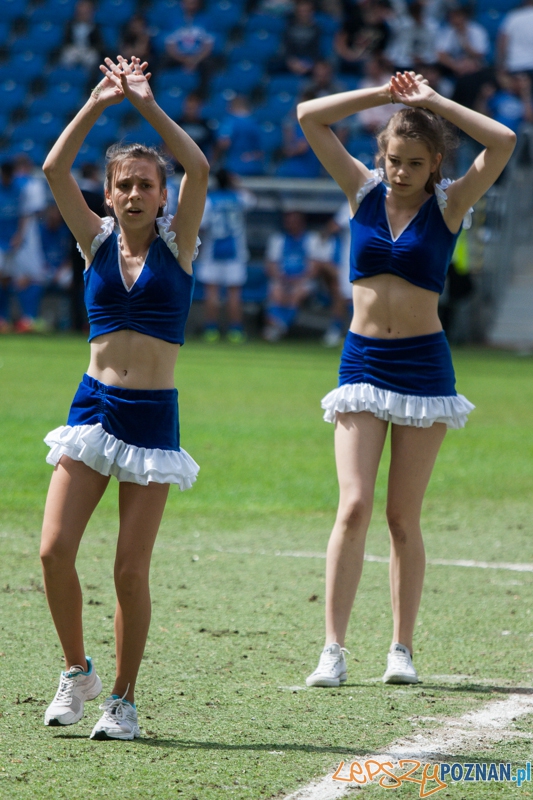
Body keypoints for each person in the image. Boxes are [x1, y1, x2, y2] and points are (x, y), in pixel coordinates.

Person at [297, 70, 515, 686]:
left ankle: (401, 649)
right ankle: (332, 651)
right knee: (354, 504)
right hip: (363, 362)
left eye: (415, 163)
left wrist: (432, 101)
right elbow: (309, 116)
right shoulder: (361, 191)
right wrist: (385, 97)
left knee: (401, 516)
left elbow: (502, 142)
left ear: (436, 163)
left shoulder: (450, 204)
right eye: (394, 160)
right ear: (381, 155)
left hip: (424, 364)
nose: (401, 172)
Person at [40, 55, 209, 739]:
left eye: (145, 184)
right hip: (92, 408)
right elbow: (54, 170)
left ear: (160, 196)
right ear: (108, 194)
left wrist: (144, 104)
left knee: (129, 572)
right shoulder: (94, 241)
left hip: (150, 419)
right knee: (53, 551)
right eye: (123, 185)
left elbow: (198, 167)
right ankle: (75, 671)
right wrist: (97, 103)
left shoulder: (181, 245)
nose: (135, 193)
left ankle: (123, 699)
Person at [196, 169, 255, 343]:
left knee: (211, 292)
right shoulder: (239, 198)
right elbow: (253, 200)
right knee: (234, 293)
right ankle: (235, 330)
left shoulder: (209, 201)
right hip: (236, 253)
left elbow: (203, 226)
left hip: (212, 252)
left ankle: (211, 330)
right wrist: (237, 183)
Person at [262, 210, 315, 341]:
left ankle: (278, 327)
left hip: (303, 280)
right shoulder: (278, 239)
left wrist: (299, 279)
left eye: (294, 222)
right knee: (276, 292)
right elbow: (270, 265)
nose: (291, 225)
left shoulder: (311, 239)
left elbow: (315, 266)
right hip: (282, 279)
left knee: (296, 294)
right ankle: (279, 327)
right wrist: (281, 278)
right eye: (289, 222)